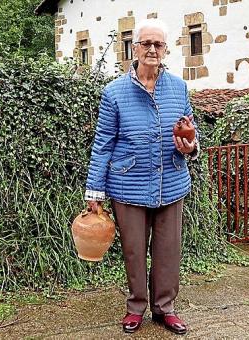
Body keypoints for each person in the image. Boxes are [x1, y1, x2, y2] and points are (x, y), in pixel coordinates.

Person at [84, 18, 199, 335]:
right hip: (127, 184)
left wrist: (190, 146)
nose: (152, 49)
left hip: (171, 182)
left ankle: (165, 309)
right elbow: (103, 143)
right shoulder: (114, 92)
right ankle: (136, 307)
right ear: (133, 48)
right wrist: (94, 191)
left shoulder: (179, 87)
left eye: (157, 44)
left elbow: (192, 131)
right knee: (134, 251)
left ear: (165, 49)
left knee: (168, 251)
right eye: (145, 43)